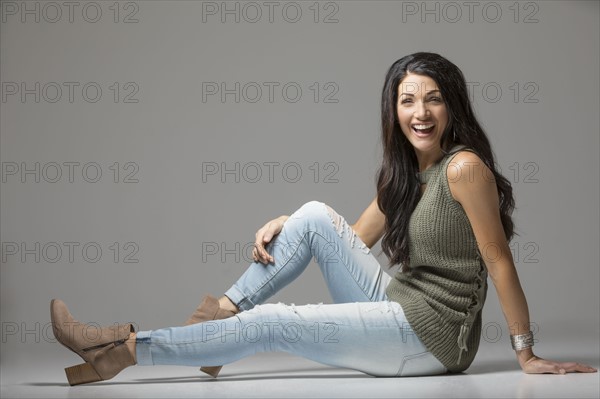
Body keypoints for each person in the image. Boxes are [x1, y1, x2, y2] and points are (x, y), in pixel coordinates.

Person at [50, 52, 597, 385]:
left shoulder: (464, 168)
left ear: (451, 106)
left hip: (432, 339)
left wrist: (526, 353)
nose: (421, 113)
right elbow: (345, 241)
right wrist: (288, 221)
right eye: (408, 101)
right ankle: (220, 316)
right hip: (394, 305)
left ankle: (120, 350)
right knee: (310, 214)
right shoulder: (406, 174)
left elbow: (499, 262)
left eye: (433, 100)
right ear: (394, 109)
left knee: (274, 323)